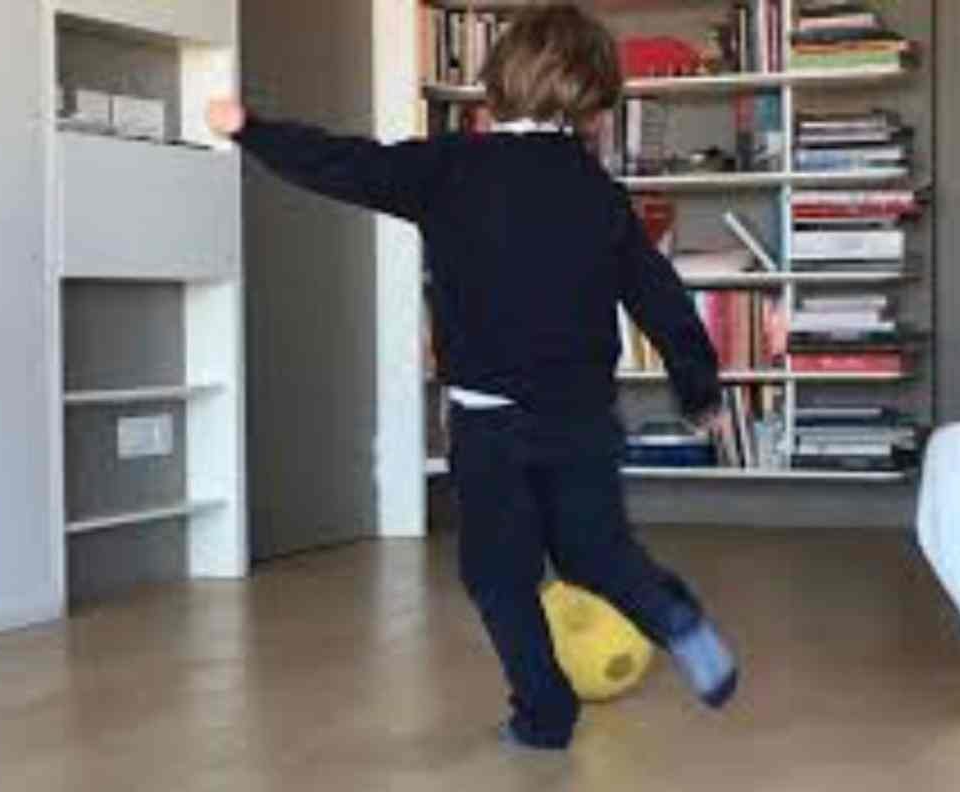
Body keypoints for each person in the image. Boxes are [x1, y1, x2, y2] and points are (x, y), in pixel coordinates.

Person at [208, 3, 737, 751]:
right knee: (597, 554)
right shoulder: (597, 192)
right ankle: (675, 620)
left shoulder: (451, 167)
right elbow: (660, 296)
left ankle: (545, 717)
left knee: (499, 575)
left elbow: (347, 164)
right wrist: (699, 387)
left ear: (498, 80)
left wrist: (252, 130)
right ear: (594, 99)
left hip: (491, 423)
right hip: (583, 420)